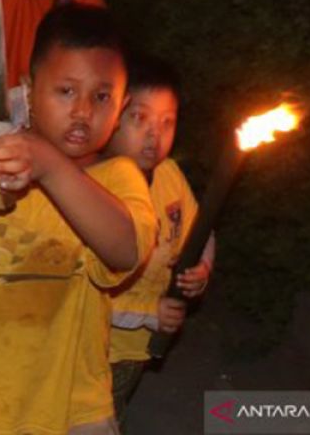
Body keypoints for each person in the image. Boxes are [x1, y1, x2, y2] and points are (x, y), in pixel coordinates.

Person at [0, 4, 157, 435]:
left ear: (123, 104)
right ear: (29, 90)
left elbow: (125, 250)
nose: (83, 111)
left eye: (102, 96)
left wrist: (49, 166)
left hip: (71, 411)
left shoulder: (116, 180)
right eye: (66, 91)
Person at [105, 54, 214, 430]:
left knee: (114, 410)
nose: (155, 135)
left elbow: (203, 228)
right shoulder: (98, 189)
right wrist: (151, 314)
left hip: (136, 350)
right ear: (112, 116)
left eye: (167, 122)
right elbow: (86, 293)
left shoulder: (169, 174)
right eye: (140, 118)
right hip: (97, 347)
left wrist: (203, 268)